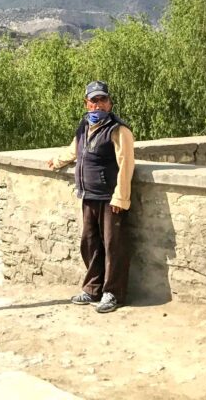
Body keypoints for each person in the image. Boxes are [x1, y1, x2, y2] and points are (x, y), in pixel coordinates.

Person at [46, 80, 135, 313]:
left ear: (110, 102)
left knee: (113, 245)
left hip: (110, 198)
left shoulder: (118, 130)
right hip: (88, 195)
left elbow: (126, 164)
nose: (98, 105)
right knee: (90, 243)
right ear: (87, 103)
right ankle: (93, 289)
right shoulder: (84, 126)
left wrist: (121, 197)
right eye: (94, 100)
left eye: (102, 100)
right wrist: (57, 161)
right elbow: (74, 150)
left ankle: (112, 293)